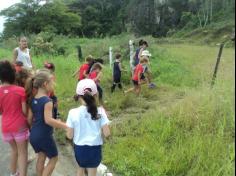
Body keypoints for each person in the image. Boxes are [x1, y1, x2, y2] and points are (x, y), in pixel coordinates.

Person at [26, 71, 68, 176]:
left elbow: (29, 119)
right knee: (54, 158)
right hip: (44, 136)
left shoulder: (32, 99)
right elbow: (48, 120)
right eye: (51, 82)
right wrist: (66, 126)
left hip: (34, 135)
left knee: (41, 156)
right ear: (45, 84)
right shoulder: (47, 101)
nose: (53, 85)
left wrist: (34, 130)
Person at [66, 79, 111, 176]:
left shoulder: (72, 112)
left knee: (80, 169)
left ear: (78, 96)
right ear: (95, 95)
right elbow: (107, 133)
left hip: (80, 149)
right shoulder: (101, 111)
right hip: (95, 149)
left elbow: (69, 136)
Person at [0, 60, 29, 176]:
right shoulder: (20, 91)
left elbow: (1, 111)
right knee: (22, 153)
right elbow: (24, 111)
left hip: (6, 127)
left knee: (14, 151)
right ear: (13, 74)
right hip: (20, 126)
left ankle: (13, 173)